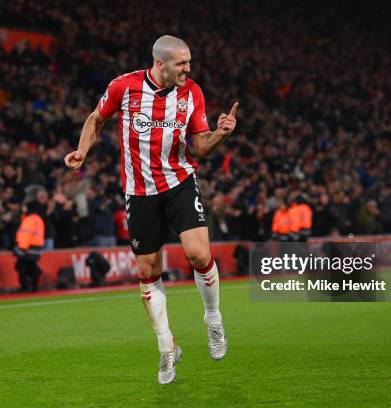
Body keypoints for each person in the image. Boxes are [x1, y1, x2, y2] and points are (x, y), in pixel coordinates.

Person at [64, 35, 237, 384]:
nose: (188, 69)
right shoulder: (124, 87)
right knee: (148, 271)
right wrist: (82, 151)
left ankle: (213, 320)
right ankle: (166, 347)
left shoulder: (193, 93)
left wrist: (221, 134)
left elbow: (201, 147)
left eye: (189, 62)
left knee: (199, 253)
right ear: (160, 64)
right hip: (139, 191)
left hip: (179, 182)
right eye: (181, 63)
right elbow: (95, 119)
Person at [14, 201, 45, 292]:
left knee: (21, 266)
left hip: (28, 247)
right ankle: (33, 285)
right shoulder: (38, 219)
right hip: (36, 247)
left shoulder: (29, 219)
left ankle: (25, 286)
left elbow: (25, 235)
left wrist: (21, 248)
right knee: (31, 266)